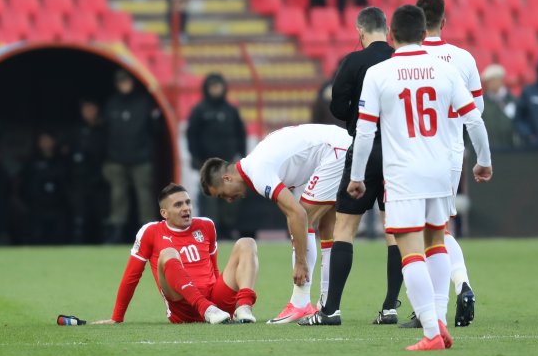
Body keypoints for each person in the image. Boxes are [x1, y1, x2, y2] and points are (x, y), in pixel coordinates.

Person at [348, 5, 492, 350]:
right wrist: (483, 161)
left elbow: (364, 131)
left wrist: (357, 175)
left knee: (409, 248)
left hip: (403, 173)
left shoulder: (380, 73)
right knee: (437, 241)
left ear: (392, 36)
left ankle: (430, 331)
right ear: (424, 31)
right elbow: (475, 120)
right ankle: (439, 321)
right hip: (441, 170)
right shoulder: (445, 71)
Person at [298, 7, 399, 327]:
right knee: (394, 231)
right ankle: (390, 306)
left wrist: (358, 109)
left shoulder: (354, 61)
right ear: (387, 29)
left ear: (360, 30)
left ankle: (331, 310)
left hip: (366, 149)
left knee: (345, 228)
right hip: (400, 152)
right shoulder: (402, 60)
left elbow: (338, 107)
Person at [199, 124, 352, 324]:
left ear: (227, 178)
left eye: (222, 195)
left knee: (303, 216)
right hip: (342, 145)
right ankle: (326, 304)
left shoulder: (258, 171)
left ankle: (300, 302)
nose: (227, 200)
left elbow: (298, 215)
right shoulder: (256, 162)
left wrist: (300, 262)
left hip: (336, 150)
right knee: (326, 227)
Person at [410, 0, 485, 328]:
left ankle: (432, 307)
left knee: (418, 233)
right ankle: (459, 284)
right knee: (438, 229)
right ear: (444, 21)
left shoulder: (408, 59)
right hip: (451, 153)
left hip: (412, 154)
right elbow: (476, 113)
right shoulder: (463, 58)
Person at [92, 183, 259, 325]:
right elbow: (131, 276)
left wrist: (221, 298)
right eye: (178, 205)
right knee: (168, 253)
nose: (186, 208)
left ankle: (243, 307)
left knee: (247, 243)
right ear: (164, 213)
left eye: (188, 202)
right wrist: (117, 317)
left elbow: (213, 269)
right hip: (183, 307)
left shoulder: (206, 225)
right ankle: (206, 308)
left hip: (216, 304)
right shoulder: (151, 231)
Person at [102, 69, 160, 244]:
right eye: (121, 82)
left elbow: (156, 129)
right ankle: (117, 231)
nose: (124, 85)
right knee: (118, 197)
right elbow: (105, 132)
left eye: (126, 81)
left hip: (141, 157)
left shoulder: (144, 103)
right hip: (116, 158)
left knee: (144, 197)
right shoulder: (111, 104)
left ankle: (148, 235)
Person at [187, 73, 246, 239]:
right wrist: (196, 157)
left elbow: (240, 134)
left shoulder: (231, 110)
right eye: (212, 87)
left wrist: (242, 156)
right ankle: (212, 229)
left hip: (228, 164)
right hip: (208, 164)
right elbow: (192, 135)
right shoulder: (199, 110)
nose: (216, 90)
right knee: (209, 198)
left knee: (231, 196)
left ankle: (228, 228)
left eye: (218, 86)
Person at [68, 99, 108, 243]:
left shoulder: (104, 129)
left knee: (100, 212)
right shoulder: (76, 130)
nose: (88, 112)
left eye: (91, 108)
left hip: (99, 178)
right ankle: (78, 241)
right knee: (80, 213)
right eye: (85, 109)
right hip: (79, 177)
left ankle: (104, 241)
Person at [21, 132, 70, 245]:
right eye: (42, 141)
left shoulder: (61, 160)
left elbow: (67, 182)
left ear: (54, 142)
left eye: (48, 140)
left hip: (58, 206)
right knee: (36, 236)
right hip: (37, 206)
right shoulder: (32, 161)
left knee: (59, 237)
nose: (45, 143)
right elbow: (24, 182)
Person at [481, 64, 519, 150]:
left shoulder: (512, 100)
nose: (490, 84)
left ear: (501, 80)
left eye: (492, 80)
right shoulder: (482, 102)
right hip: (489, 149)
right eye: (488, 81)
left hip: (510, 148)